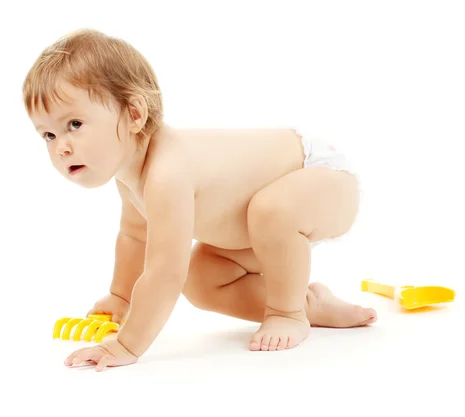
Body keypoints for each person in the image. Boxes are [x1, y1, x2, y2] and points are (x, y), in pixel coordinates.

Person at [23, 28, 377, 371]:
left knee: (271, 212)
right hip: (263, 229)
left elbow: (164, 272)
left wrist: (127, 344)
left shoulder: (167, 172)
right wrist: (121, 297)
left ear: (134, 114)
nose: (61, 146)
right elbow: (135, 237)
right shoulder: (130, 175)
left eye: (74, 124)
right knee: (202, 281)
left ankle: (287, 313)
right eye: (49, 135)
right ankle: (311, 304)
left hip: (323, 177)